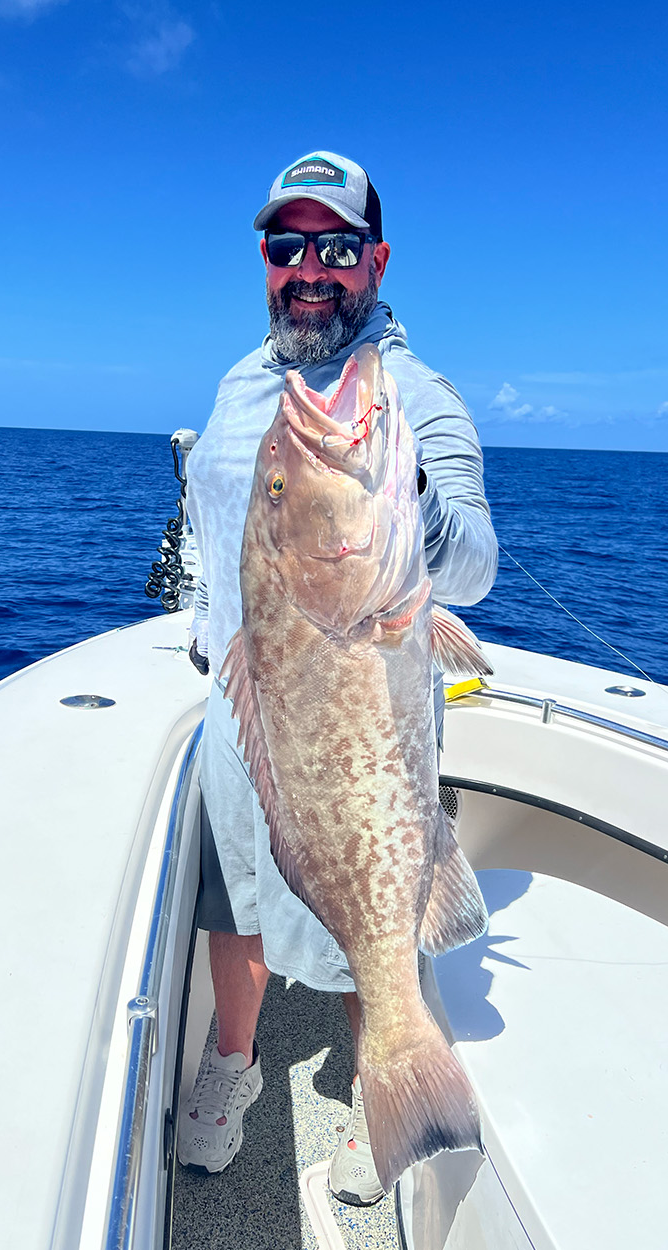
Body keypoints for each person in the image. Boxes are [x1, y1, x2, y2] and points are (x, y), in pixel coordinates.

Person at [173, 150, 498, 1206]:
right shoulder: (240, 385)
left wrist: (406, 494)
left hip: (355, 704)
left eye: (337, 248)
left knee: (367, 910)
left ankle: (385, 1084)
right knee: (233, 898)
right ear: (265, 260)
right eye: (287, 246)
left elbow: (475, 566)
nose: (310, 270)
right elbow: (217, 519)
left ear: (376, 260)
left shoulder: (413, 396)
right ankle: (233, 1058)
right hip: (246, 703)